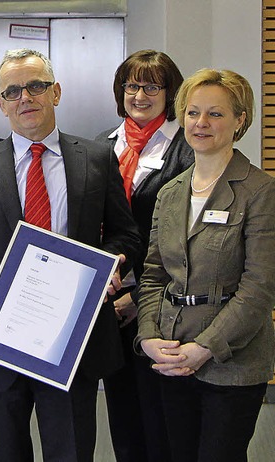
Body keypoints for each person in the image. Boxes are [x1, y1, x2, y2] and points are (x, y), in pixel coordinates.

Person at [0, 48, 141, 461]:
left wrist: (112, 265)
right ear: (1, 104)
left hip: (73, 338)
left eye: (35, 86)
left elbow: (126, 234)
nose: (25, 97)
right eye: (13, 91)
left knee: (70, 448)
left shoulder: (97, 158)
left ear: (56, 92)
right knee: (2, 451)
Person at [135, 69, 275, 462]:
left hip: (232, 362)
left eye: (215, 114)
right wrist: (148, 338)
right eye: (193, 112)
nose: (201, 123)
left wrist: (206, 348)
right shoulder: (170, 192)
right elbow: (153, 276)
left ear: (239, 120)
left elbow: (260, 287)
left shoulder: (261, 192)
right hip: (170, 354)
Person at [95, 50, 194, 462]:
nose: (139, 95)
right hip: (108, 304)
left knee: (162, 422)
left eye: (152, 86)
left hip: (162, 305)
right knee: (123, 417)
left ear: (170, 93)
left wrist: (138, 299)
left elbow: (187, 241)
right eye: (131, 85)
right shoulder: (102, 146)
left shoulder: (186, 149)